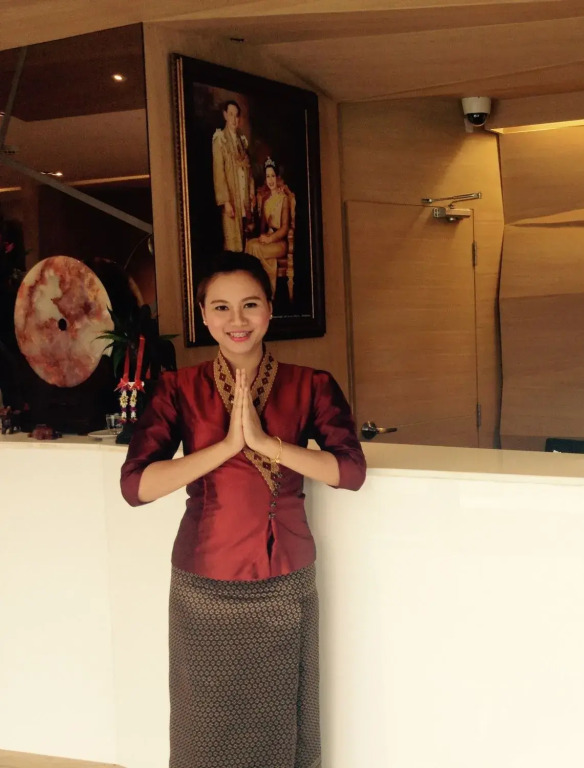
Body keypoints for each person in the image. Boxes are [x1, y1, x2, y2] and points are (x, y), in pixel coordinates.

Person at [120, 251, 365, 767]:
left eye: (250, 305)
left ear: (269, 310)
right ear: (204, 316)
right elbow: (136, 486)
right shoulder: (177, 389)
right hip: (204, 584)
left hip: (286, 580)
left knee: (282, 723)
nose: (237, 320)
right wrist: (228, 447)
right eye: (222, 307)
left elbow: (349, 472)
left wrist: (266, 443)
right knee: (204, 727)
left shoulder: (311, 384)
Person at [212, 100, 255, 252]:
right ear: (225, 115)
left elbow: (248, 170)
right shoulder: (220, 139)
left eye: (236, 116)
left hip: (244, 197)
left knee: (246, 238)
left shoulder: (242, 140)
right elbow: (219, 173)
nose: (234, 119)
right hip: (231, 198)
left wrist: (251, 192)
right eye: (231, 115)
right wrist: (226, 202)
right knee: (233, 241)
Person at [245, 157, 292, 298]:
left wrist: (270, 239)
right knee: (250, 244)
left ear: (277, 177)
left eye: (272, 176)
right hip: (268, 238)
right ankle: (254, 288)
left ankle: (263, 291)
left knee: (255, 248)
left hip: (279, 242)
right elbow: (262, 227)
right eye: (267, 176)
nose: (270, 180)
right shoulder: (265, 199)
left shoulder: (284, 199)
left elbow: (284, 228)